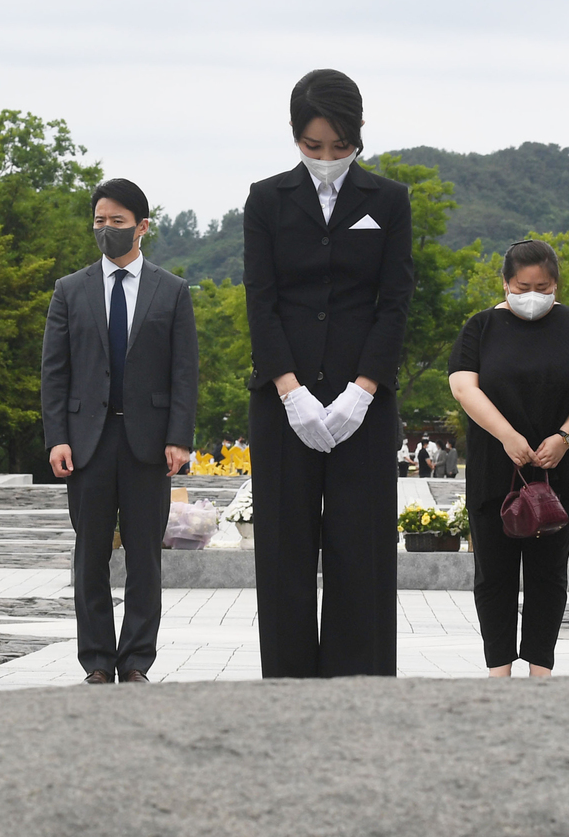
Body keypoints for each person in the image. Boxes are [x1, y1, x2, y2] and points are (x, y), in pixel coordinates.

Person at [243, 68, 414, 678]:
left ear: (358, 136)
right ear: (295, 138)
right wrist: (289, 392)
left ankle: (358, 685)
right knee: (285, 549)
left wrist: (362, 391)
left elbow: (394, 301)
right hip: (283, 400)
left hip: (361, 402)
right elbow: (260, 300)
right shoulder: (267, 200)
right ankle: (288, 688)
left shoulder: (388, 201)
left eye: (339, 148)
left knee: (359, 548)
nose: (326, 159)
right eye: (312, 147)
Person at [42, 178, 198, 685]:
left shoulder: (171, 290)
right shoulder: (70, 290)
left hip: (148, 444)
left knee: (144, 557)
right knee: (89, 554)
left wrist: (179, 436)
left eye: (118, 222)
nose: (107, 230)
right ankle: (96, 660)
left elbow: (183, 372)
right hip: (87, 442)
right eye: (99, 221)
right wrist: (57, 436)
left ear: (142, 227)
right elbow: (55, 372)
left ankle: (135, 660)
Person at [448, 240, 569, 677]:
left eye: (543, 285)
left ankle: (541, 669)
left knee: (549, 575)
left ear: (555, 283)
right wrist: (506, 436)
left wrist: (565, 437)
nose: (533, 294)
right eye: (522, 286)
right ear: (505, 283)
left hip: (558, 470)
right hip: (495, 468)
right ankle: (498, 669)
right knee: (494, 574)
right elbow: (464, 387)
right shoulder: (481, 328)